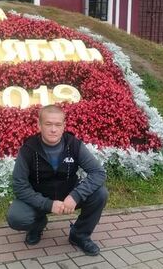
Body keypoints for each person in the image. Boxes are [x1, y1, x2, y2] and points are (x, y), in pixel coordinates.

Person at [7, 104, 108, 256]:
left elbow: (98, 173)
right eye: (48, 124)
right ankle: (38, 225)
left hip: (68, 195)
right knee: (16, 217)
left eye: (58, 125)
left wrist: (75, 196)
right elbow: (19, 185)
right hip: (39, 198)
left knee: (100, 194)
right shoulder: (28, 149)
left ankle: (79, 235)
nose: (53, 129)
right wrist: (48, 204)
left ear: (63, 126)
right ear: (39, 125)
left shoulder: (74, 145)